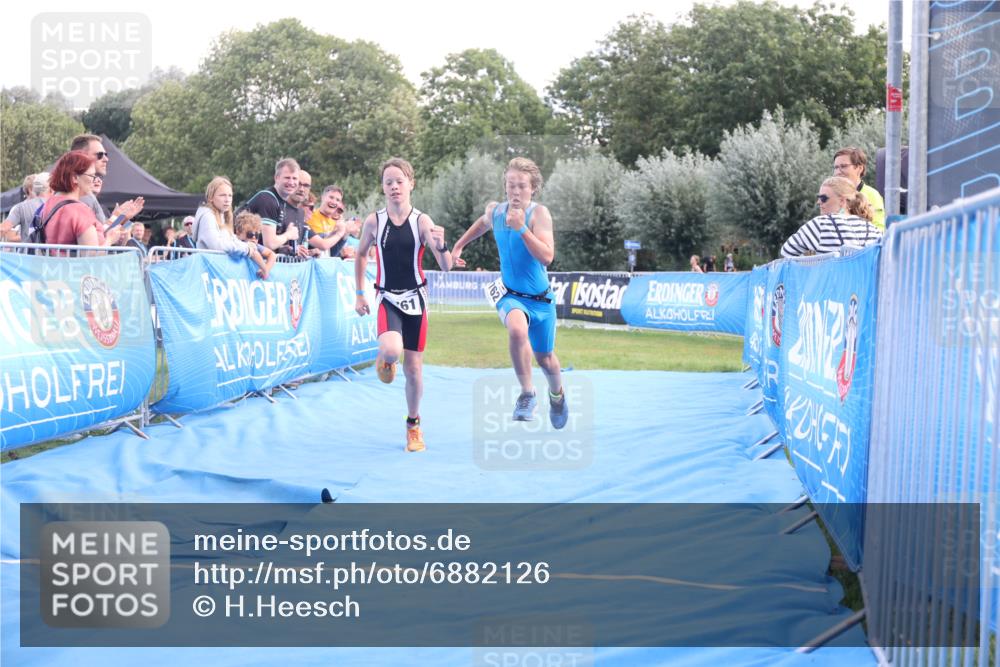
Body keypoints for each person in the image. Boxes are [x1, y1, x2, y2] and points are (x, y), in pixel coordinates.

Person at [451, 157, 569, 429]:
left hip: (540, 301)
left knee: (546, 359)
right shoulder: (496, 211)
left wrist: (522, 228)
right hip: (510, 295)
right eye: (511, 185)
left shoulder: (539, 214)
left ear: (533, 189)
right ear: (505, 186)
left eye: (522, 187)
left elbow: (547, 256)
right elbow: (482, 223)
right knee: (517, 330)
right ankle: (527, 394)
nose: (515, 192)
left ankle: (557, 396)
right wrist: (459, 246)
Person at [354, 158, 453, 453]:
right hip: (387, 297)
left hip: (417, 300)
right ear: (383, 188)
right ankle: (386, 357)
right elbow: (360, 255)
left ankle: (413, 424)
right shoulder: (375, 221)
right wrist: (360, 293)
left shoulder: (422, 222)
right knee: (391, 350)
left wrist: (443, 244)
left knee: (413, 369)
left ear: (411, 184)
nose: (395, 186)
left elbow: (446, 266)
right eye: (389, 182)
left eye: (400, 181)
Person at [37, 151, 123, 249]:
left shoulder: (49, 203)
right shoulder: (80, 210)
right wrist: (109, 240)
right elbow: (91, 255)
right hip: (77, 264)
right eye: (92, 176)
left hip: (51, 263)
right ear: (74, 178)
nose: (94, 180)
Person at [781, 176, 883, 258]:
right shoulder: (873, 230)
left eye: (823, 198)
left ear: (842, 201)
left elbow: (787, 252)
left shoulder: (820, 225)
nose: (818, 202)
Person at [193, 176, 272, 278]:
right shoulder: (207, 216)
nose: (227, 200)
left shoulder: (223, 216)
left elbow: (231, 241)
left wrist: (248, 246)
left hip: (218, 273)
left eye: (230, 196)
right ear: (211, 198)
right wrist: (246, 248)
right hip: (208, 274)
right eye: (222, 195)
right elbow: (217, 245)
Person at [69, 134, 145, 227]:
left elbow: (104, 231)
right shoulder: (81, 195)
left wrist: (121, 219)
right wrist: (117, 217)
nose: (106, 159)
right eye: (100, 155)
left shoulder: (83, 194)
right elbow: (98, 239)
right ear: (82, 156)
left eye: (106, 154)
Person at [244, 157, 306, 257]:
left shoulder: (281, 201)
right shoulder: (268, 199)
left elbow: (262, 242)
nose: (291, 182)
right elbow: (269, 244)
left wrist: (284, 248)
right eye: (287, 177)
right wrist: (288, 234)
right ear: (276, 178)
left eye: (294, 178)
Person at [833, 147, 886, 231]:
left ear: (859, 168)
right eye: (836, 167)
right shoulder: (832, 194)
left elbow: (879, 230)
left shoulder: (872, 195)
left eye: (843, 166)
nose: (838, 172)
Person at [3, 172, 51, 241]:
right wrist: (32, 235)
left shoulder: (49, 204)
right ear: (30, 189)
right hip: (23, 250)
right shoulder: (18, 208)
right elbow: (10, 237)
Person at [306, 186, 351, 257]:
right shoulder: (310, 216)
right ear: (323, 197)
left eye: (337, 200)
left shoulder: (338, 224)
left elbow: (332, 254)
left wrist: (345, 235)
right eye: (331, 197)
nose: (333, 202)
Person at [234, 210, 277, 278]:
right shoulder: (234, 242)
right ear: (238, 232)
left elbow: (272, 255)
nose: (254, 237)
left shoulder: (255, 245)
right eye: (250, 234)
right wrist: (265, 269)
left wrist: (267, 269)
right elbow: (253, 252)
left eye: (256, 235)